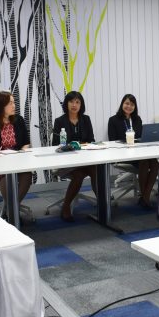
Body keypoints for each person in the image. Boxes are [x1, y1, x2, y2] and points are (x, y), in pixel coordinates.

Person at [0, 91, 32, 216]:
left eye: (14, 103)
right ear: (1, 106)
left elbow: (26, 142)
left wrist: (22, 152)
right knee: (7, 176)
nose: (14, 106)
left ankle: (12, 207)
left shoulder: (19, 120)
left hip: (17, 162)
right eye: (10, 103)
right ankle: (13, 211)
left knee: (27, 175)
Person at [107, 93, 159, 209]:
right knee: (144, 163)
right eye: (126, 103)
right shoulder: (113, 120)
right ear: (122, 104)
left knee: (155, 164)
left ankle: (144, 197)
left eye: (132, 104)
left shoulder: (137, 119)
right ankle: (145, 198)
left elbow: (141, 137)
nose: (129, 106)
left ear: (135, 107)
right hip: (123, 153)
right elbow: (112, 141)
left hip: (139, 151)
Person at [52, 91, 97, 222]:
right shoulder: (59, 121)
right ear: (66, 104)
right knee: (79, 174)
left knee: (95, 169)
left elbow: (91, 140)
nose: (74, 105)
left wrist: (82, 145)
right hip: (67, 162)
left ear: (81, 105)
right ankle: (66, 207)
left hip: (84, 159)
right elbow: (56, 144)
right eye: (71, 101)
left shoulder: (86, 119)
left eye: (77, 102)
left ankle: (103, 204)